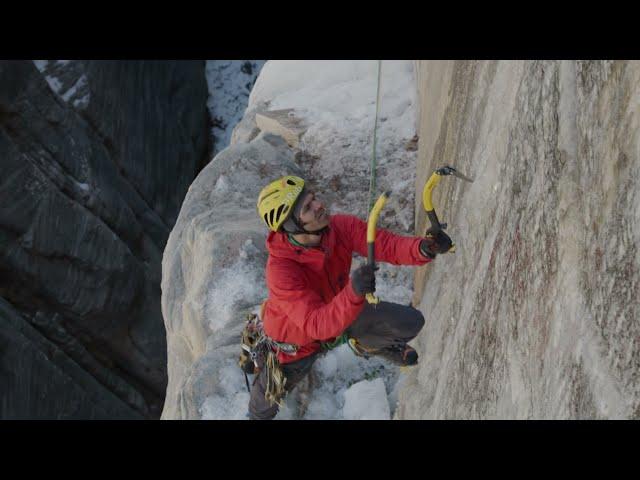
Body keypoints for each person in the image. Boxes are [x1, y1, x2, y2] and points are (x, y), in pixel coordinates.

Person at [249, 175, 452, 420]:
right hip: (295, 345)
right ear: (291, 226)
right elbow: (316, 324)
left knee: (410, 322)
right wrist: (354, 291)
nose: (319, 206)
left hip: (341, 312)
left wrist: (423, 248)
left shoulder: (339, 228)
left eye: (314, 199)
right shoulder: (281, 271)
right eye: (307, 208)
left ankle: (365, 342)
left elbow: (385, 244)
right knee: (266, 401)